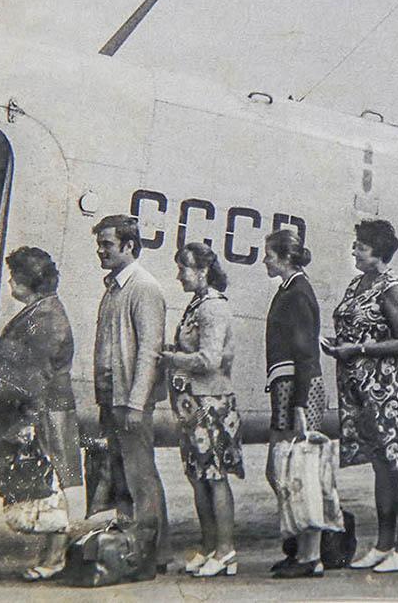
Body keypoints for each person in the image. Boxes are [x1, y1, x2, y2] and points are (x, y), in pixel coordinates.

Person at [323, 218, 398, 573]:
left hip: (393, 388)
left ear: (379, 252)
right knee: (381, 465)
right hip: (364, 388)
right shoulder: (358, 284)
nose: (354, 251)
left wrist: (359, 349)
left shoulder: (393, 289)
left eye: (362, 247)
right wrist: (341, 346)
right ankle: (384, 544)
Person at [0, 246, 82, 581]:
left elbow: (36, 373)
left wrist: (28, 420)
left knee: (50, 485)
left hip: (45, 412)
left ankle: (55, 558)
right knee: (45, 484)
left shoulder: (46, 317)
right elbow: (23, 358)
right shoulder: (41, 311)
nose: (9, 283)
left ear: (26, 280)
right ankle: (51, 556)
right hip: (44, 411)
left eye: (13, 277)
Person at [92, 214, 170, 577]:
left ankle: (153, 553)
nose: (100, 250)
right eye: (100, 244)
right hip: (112, 399)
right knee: (121, 477)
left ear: (129, 245)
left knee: (141, 477)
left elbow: (150, 351)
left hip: (130, 401)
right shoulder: (114, 288)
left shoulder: (144, 288)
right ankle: (130, 548)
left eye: (107, 244)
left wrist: (137, 403)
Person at [161, 243, 244, 578]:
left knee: (214, 477)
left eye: (184, 268)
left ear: (203, 271)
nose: (179, 275)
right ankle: (210, 548)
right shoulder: (198, 304)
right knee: (198, 477)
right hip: (194, 406)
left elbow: (209, 360)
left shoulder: (212, 308)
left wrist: (172, 358)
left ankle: (225, 551)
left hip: (211, 405)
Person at [262, 229, 328, 579]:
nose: (265, 260)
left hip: (298, 390)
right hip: (286, 388)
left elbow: (305, 352)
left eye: (269, 255)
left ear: (285, 257)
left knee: (299, 472)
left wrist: (301, 404)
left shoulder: (298, 293)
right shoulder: (289, 289)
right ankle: (299, 547)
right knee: (281, 471)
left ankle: (311, 555)